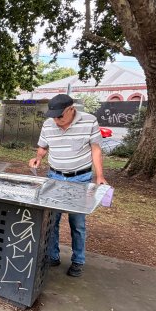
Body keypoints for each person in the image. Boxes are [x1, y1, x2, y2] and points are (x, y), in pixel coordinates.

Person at [28, 94, 108, 277]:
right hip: (54, 177)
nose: (56, 120)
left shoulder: (89, 121)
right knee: (51, 220)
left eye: (60, 116)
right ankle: (53, 256)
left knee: (77, 222)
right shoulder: (49, 124)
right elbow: (43, 146)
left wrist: (100, 176)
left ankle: (78, 260)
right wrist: (38, 158)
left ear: (71, 109)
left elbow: (96, 149)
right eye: (53, 116)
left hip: (79, 179)